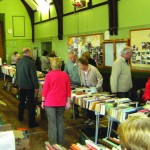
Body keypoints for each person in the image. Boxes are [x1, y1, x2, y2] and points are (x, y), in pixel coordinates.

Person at [41, 57, 71, 145]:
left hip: (50, 102)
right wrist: (68, 102)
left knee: (52, 123)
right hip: (61, 102)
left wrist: (42, 101)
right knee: (60, 121)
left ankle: (53, 143)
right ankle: (61, 142)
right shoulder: (65, 75)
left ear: (51, 65)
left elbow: (45, 90)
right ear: (60, 65)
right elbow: (68, 90)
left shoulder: (49, 75)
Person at [16, 48, 39, 128]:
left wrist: (18, 84)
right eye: (31, 52)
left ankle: (20, 117)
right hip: (29, 86)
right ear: (28, 53)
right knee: (31, 104)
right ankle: (31, 123)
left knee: (21, 102)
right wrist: (36, 86)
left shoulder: (19, 62)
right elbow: (34, 76)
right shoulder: (31, 62)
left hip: (21, 85)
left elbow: (17, 74)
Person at [77, 57, 103, 125]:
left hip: (94, 90)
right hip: (86, 89)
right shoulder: (80, 70)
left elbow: (100, 78)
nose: (79, 67)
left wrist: (97, 87)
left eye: (80, 65)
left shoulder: (93, 69)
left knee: (93, 106)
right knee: (87, 105)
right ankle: (89, 118)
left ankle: (93, 120)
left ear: (84, 64)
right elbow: (81, 77)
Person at [64, 51, 81, 117]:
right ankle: (75, 113)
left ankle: (86, 114)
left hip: (81, 83)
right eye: (70, 58)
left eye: (73, 57)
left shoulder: (79, 62)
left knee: (81, 99)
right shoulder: (67, 63)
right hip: (72, 83)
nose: (71, 59)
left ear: (76, 56)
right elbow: (65, 72)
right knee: (73, 99)